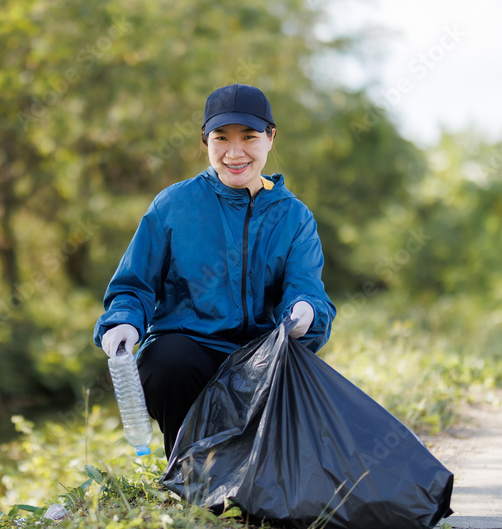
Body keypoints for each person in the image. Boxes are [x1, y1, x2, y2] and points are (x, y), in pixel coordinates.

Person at [93, 84, 336, 457]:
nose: (234, 152)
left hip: (261, 357)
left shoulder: (294, 216)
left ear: (270, 138)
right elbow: (134, 284)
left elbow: (306, 289)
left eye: (249, 137)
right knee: (167, 361)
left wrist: (306, 311)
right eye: (221, 138)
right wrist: (124, 320)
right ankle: (188, 471)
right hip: (190, 354)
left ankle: (258, 471)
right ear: (205, 140)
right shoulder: (174, 204)